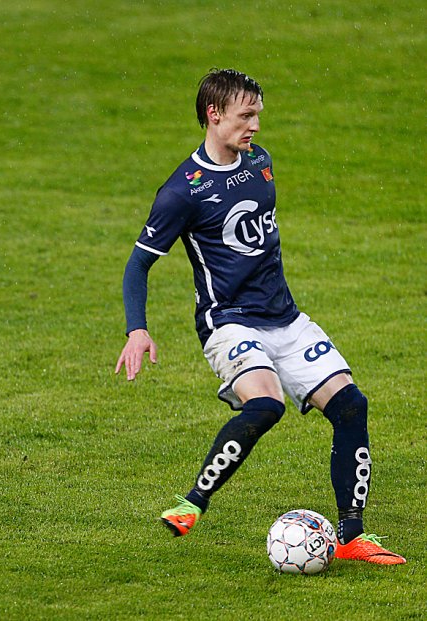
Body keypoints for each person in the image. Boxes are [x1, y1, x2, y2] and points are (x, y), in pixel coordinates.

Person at [114, 69, 404, 564]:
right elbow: (139, 262)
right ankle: (192, 503)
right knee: (266, 405)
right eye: (246, 116)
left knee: (352, 406)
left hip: (286, 319)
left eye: (258, 115)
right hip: (228, 322)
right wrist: (137, 328)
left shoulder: (260, 163)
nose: (255, 127)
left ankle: (352, 535)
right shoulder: (182, 191)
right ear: (214, 114)